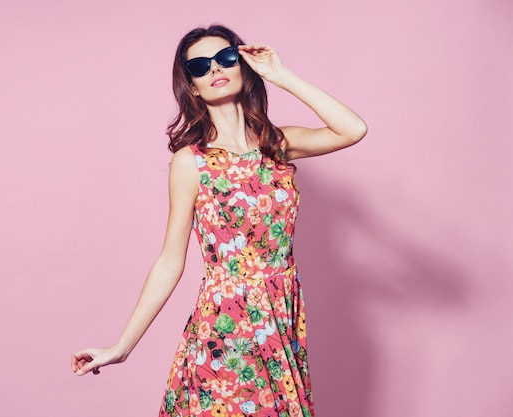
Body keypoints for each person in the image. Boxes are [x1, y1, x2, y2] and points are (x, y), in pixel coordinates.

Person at [71, 25, 367, 417]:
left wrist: (281, 75)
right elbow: (170, 260)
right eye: (200, 66)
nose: (215, 69)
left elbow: (353, 129)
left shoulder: (276, 145)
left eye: (226, 58)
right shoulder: (190, 162)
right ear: (191, 86)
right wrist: (122, 346)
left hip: (281, 316)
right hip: (227, 321)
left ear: (243, 67)